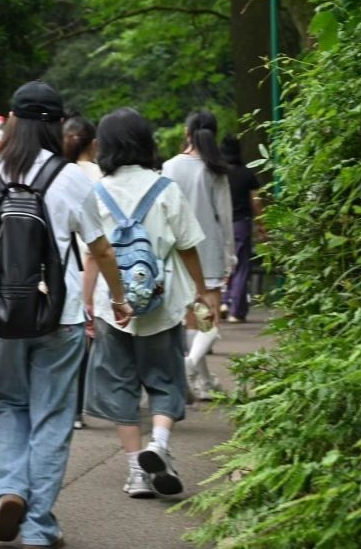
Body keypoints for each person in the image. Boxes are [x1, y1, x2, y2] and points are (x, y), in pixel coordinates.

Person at [0, 81, 132, 549]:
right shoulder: (71, 177)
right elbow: (100, 250)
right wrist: (118, 298)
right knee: (52, 416)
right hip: (61, 313)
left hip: (2, 313)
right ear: (57, 125)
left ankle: (11, 487)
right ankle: (38, 527)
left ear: (11, 120)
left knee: (11, 404)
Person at [82, 108, 216, 498]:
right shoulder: (165, 189)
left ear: (104, 146)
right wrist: (201, 290)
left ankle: (135, 471)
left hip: (113, 304)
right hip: (161, 303)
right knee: (165, 378)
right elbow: (188, 246)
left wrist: (87, 302)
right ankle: (158, 443)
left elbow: (93, 255)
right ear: (145, 142)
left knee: (120, 384)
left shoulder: (96, 193)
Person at [162, 110, 234, 401]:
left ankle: (203, 383)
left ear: (187, 132)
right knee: (210, 324)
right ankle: (190, 366)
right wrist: (230, 255)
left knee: (194, 321)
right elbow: (225, 217)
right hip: (209, 252)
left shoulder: (169, 167)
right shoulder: (215, 169)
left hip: (178, 253)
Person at [61, 114, 101, 430]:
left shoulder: (57, 174)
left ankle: (67, 407)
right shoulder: (99, 176)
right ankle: (79, 406)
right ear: (94, 144)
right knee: (87, 339)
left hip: (62, 264)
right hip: (93, 262)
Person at [219, 135, 265, 323]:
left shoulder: (219, 174)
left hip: (221, 225)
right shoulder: (247, 174)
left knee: (223, 265)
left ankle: (223, 301)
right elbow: (256, 201)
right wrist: (261, 225)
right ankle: (236, 311)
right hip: (241, 224)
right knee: (241, 265)